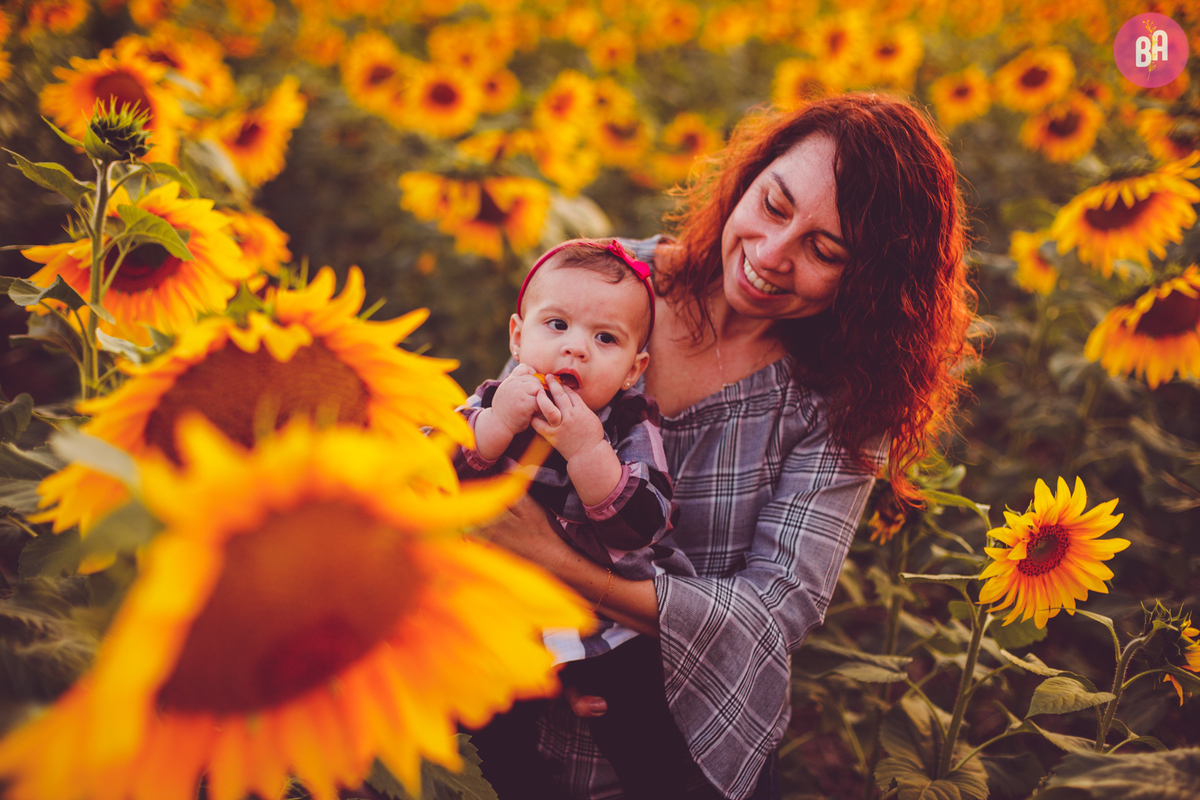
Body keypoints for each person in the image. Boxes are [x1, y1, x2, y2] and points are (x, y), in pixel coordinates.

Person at [483, 93, 977, 800]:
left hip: (692, 747)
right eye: (774, 207)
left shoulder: (841, 398)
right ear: (747, 180)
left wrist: (558, 562)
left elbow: (775, 609)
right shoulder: (607, 291)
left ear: (868, 283)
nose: (772, 257)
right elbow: (491, 489)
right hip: (516, 708)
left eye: (824, 250)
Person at [455, 238, 716, 799]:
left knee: (645, 734)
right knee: (493, 734)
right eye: (556, 326)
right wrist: (496, 427)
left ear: (632, 369)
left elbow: (642, 524)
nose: (575, 349)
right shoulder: (495, 402)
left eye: (605, 339)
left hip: (606, 621)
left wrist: (586, 451)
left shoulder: (627, 426)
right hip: (511, 617)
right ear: (517, 336)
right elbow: (436, 475)